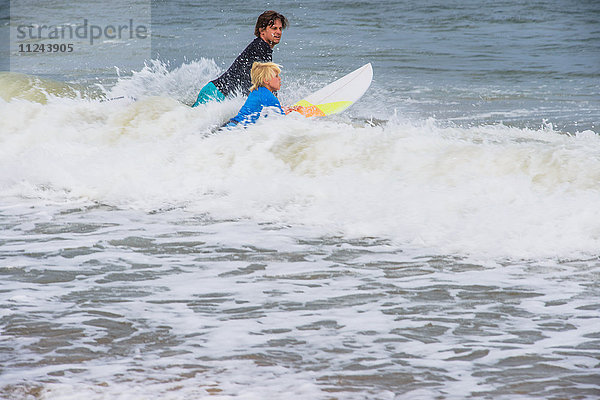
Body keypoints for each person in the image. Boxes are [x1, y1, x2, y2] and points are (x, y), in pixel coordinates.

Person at [192, 10, 288, 107]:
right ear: (262, 31)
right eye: (274, 28)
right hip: (216, 95)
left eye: (280, 29)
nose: (278, 32)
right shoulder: (261, 47)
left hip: (215, 92)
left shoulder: (261, 47)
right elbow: (266, 83)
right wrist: (277, 107)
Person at [223, 62, 302, 127]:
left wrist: (288, 109)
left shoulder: (257, 91)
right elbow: (282, 122)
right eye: (276, 76)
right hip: (237, 130)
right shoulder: (268, 96)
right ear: (266, 80)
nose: (280, 78)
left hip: (231, 125)